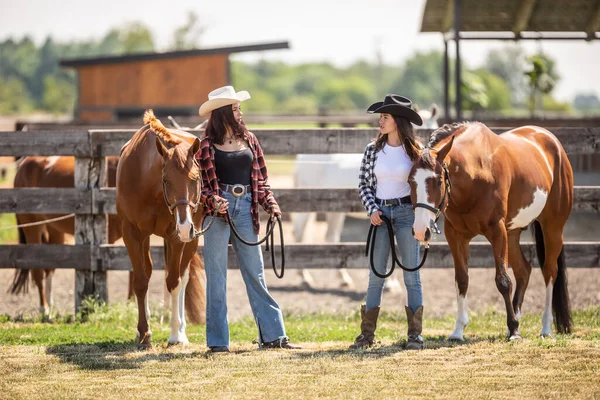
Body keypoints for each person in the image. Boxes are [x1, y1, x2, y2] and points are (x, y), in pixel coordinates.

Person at [196, 85, 301, 352]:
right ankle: (218, 343)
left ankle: (274, 336)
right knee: (217, 278)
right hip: (217, 214)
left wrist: (272, 205)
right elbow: (201, 188)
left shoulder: (250, 140)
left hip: (246, 209)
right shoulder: (207, 145)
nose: (240, 112)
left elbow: (261, 180)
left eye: (239, 107)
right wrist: (213, 201)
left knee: (255, 273)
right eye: (235, 108)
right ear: (223, 113)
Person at [351, 94, 425, 350]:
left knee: (411, 276)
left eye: (385, 117)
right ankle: (366, 334)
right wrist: (372, 208)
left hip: (406, 214)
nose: (380, 121)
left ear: (398, 121)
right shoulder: (372, 150)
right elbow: (364, 184)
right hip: (380, 215)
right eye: (380, 117)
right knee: (376, 275)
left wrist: (422, 221)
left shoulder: (416, 153)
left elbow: (426, 190)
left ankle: (415, 334)